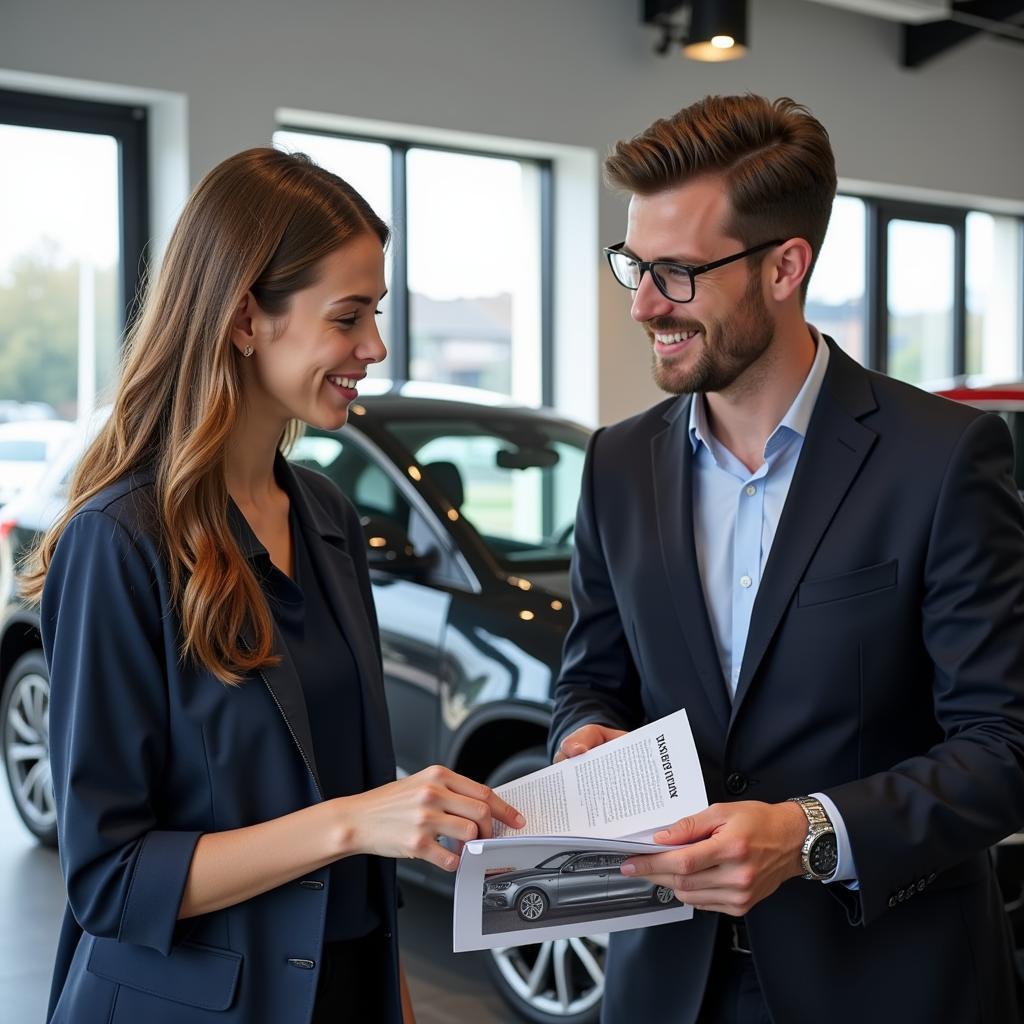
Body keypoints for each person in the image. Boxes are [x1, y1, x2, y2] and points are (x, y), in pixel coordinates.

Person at [549, 95, 1024, 1023]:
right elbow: (591, 680)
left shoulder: (944, 458)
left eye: (677, 273)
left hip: (884, 982)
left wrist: (810, 834)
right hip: (665, 981)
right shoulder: (615, 462)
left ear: (784, 266)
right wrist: (582, 741)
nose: (644, 304)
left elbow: (1005, 748)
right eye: (634, 266)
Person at [24, 147, 524, 1024]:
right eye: (349, 317)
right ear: (246, 318)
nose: (374, 347)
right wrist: (357, 822)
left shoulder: (325, 517)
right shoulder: (118, 542)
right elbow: (110, 880)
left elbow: (360, 827)